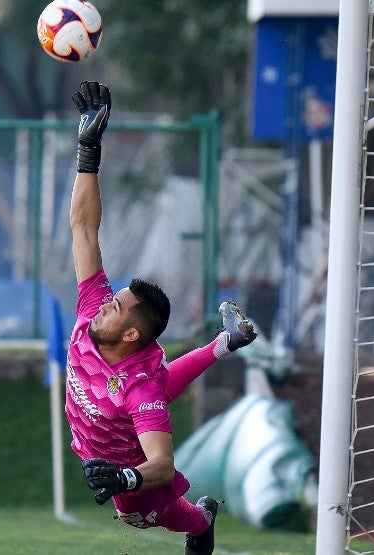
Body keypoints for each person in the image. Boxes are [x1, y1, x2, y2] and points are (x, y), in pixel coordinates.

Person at [65, 80, 256, 554]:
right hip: (127, 397)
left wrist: (125, 475)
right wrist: (89, 149)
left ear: (131, 332)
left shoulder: (142, 387)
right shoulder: (96, 311)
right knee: (150, 383)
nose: (104, 302)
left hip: (134, 471)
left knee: (148, 516)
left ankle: (201, 522)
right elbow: (85, 228)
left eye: (117, 305)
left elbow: (163, 465)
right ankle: (223, 342)